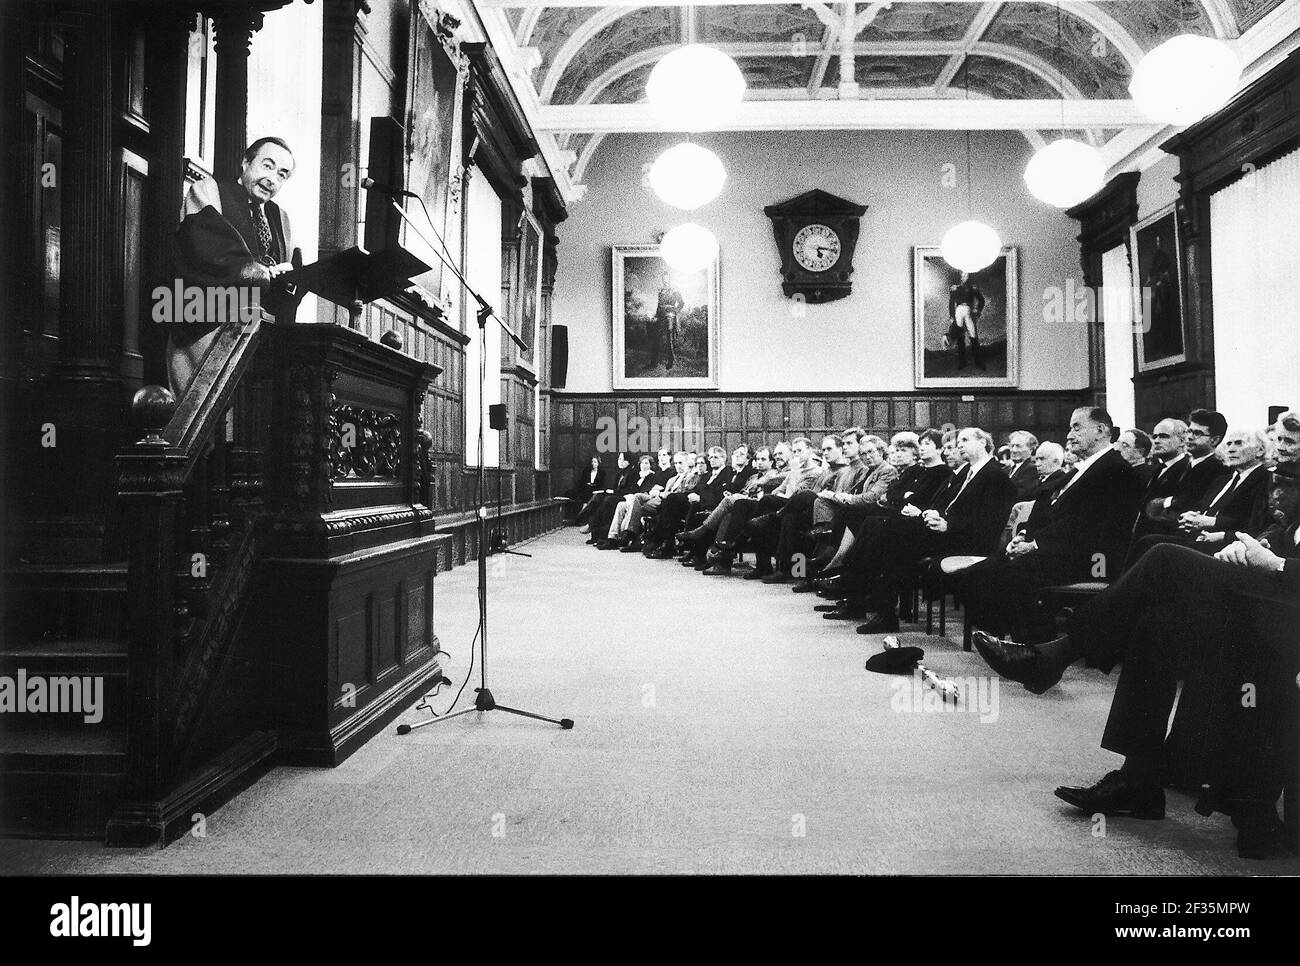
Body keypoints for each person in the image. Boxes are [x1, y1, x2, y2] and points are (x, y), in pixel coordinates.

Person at [970, 534, 1299, 860]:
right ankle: (1140, 778)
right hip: (1277, 598)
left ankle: (1056, 657)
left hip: (1287, 607)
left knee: (1164, 557)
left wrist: (1277, 563)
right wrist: (1257, 545)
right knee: (1158, 617)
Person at [958, 407, 1142, 643]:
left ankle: (1038, 651)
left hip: (1095, 559)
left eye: (1076, 427)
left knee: (1013, 575)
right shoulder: (1079, 470)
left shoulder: (1117, 471)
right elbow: (1047, 512)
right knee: (978, 572)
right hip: (1058, 548)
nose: (1069, 435)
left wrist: (1035, 545)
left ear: (1100, 431)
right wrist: (1024, 536)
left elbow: (1088, 526)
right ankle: (1009, 638)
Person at [169, 136, 297, 395]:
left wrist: (289, 276)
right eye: (267, 165)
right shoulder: (209, 191)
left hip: (259, 334)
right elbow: (207, 246)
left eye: (282, 174)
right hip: (208, 326)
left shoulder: (281, 218)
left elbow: (292, 269)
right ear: (245, 162)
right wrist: (260, 272)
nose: (272, 178)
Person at [946, 271, 986, 370]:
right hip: (958, 312)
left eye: (967, 275)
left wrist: (978, 309)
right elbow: (951, 303)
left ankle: (978, 361)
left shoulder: (973, 288)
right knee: (960, 336)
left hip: (968, 312)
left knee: (973, 335)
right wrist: (951, 316)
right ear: (960, 276)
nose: (965, 277)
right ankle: (962, 362)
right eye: (963, 275)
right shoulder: (955, 288)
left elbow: (981, 300)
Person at [647, 273, 684, 371]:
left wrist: (674, 311)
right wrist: (656, 316)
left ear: (670, 279)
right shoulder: (661, 291)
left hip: (670, 317)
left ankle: (671, 361)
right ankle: (653, 362)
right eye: (663, 278)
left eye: (666, 278)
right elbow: (659, 306)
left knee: (669, 340)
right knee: (656, 340)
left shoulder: (674, 290)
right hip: (660, 317)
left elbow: (681, 303)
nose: (665, 280)